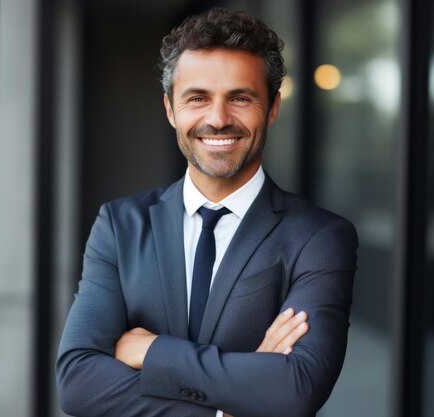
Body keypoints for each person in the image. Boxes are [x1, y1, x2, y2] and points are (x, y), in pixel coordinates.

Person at [56, 7, 357, 417]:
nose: (218, 119)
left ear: (271, 107)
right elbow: (78, 382)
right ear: (170, 109)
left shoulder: (319, 237)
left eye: (240, 98)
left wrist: (152, 350)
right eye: (197, 98)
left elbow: (296, 387)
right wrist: (229, 407)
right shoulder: (120, 225)